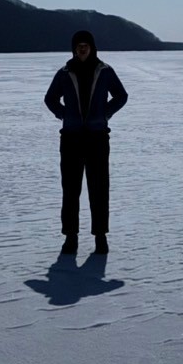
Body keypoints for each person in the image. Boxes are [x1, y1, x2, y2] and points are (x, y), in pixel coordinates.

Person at [44, 29, 128, 255]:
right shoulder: (64, 73)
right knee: (70, 189)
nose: (82, 48)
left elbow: (121, 95)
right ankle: (71, 237)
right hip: (71, 139)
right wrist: (64, 115)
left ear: (92, 48)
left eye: (86, 45)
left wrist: (104, 114)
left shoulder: (105, 71)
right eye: (78, 45)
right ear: (74, 48)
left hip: (97, 138)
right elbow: (50, 99)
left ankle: (101, 237)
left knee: (99, 188)